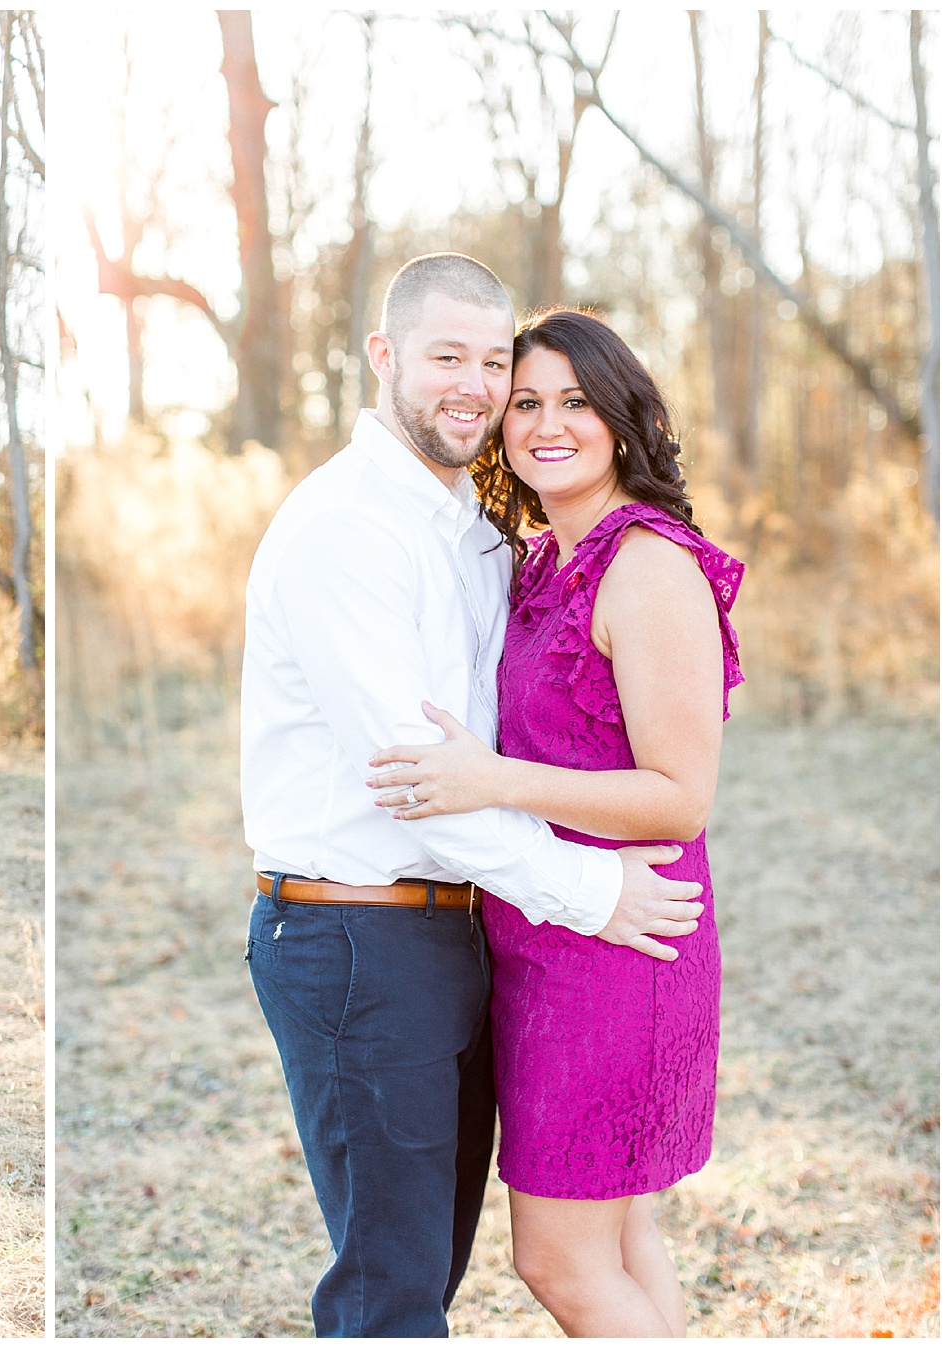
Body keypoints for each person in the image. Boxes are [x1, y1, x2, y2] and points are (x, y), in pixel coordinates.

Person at [239, 252, 706, 1338]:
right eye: (449, 355)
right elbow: (418, 775)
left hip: (465, 931)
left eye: (494, 362)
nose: (477, 386)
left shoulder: (477, 529)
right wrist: (587, 889)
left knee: (432, 1266)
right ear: (385, 356)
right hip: (356, 935)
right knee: (392, 1290)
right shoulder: (345, 528)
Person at [367, 308, 743, 1336]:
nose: (546, 422)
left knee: (560, 1262)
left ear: (621, 418)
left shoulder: (649, 567)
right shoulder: (540, 563)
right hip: (545, 943)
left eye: (576, 401)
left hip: (621, 945)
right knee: (622, 1243)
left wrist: (492, 779)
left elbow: (681, 792)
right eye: (526, 401)